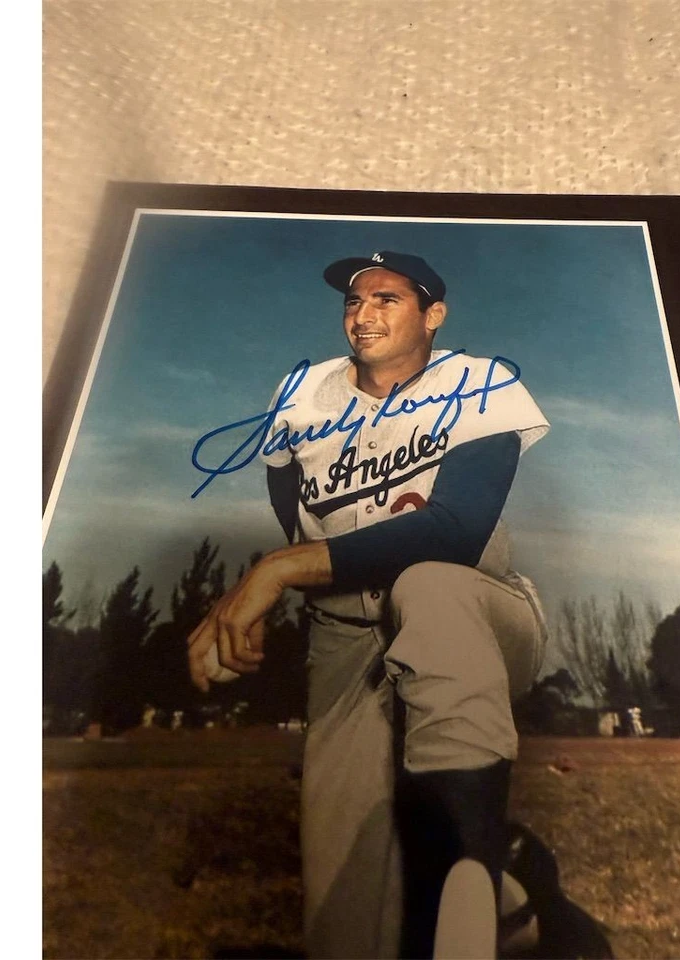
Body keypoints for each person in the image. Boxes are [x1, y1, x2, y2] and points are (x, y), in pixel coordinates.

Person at [187, 250, 550, 959]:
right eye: (354, 301)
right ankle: (510, 901)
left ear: (433, 315)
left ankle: (470, 874)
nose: (363, 313)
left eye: (387, 298)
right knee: (342, 909)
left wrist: (277, 572)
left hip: (478, 610)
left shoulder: (479, 382)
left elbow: (455, 529)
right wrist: (265, 595)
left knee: (429, 584)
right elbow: (299, 521)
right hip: (345, 630)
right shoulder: (302, 393)